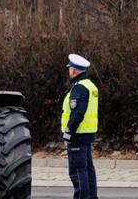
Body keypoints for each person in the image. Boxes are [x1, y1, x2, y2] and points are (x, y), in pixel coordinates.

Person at [61, 53, 98, 199]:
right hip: (87, 134)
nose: (69, 70)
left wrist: (68, 132)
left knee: (77, 171)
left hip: (77, 135)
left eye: (70, 68)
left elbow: (77, 113)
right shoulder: (90, 85)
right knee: (87, 169)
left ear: (74, 70)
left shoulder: (79, 88)